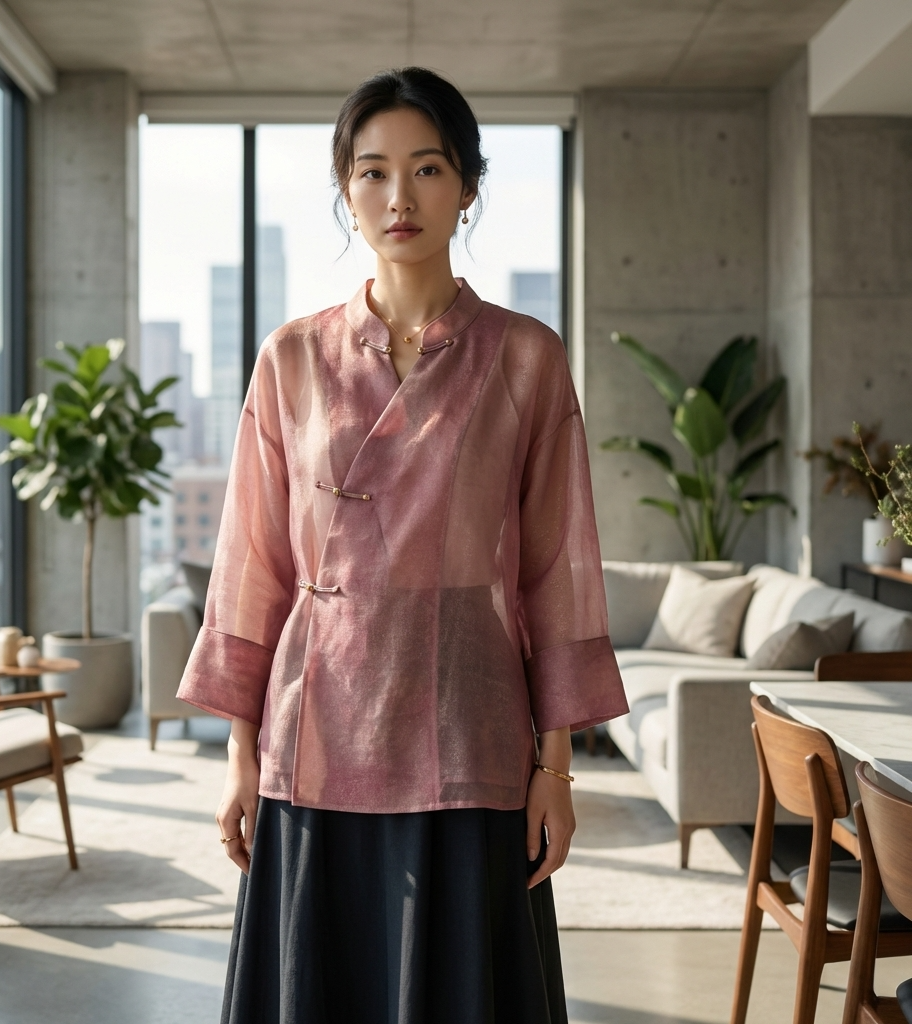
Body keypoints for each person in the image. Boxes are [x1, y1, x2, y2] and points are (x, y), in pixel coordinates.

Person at [178, 66, 627, 1024]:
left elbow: (556, 577)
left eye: (427, 169)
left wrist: (557, 772)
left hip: (470, 732)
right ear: (346, 188)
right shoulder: (291, 357)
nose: (399, 197)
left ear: (466, 186)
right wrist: (238, 755)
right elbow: (254, 563)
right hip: (316, 734)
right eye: (373, 172)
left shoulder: (526, 356)